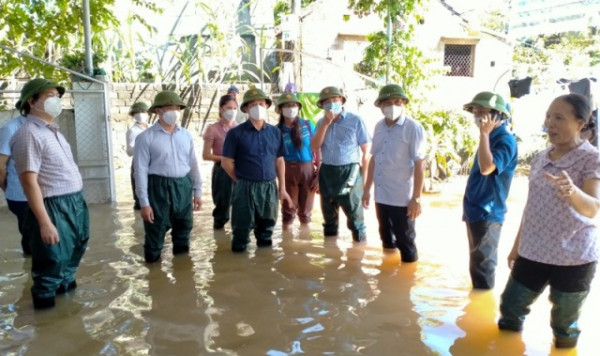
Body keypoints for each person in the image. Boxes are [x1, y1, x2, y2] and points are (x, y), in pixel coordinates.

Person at [498, 93, 600, 349]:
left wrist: (571, 191)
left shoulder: (591, 158)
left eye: (559, 118)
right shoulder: (540, 158)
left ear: (580, 122)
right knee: (510, 309)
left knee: (564, 325)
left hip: (573, 258)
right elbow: (531, 208)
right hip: (532, 252)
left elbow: (593, 209)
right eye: (548, 116)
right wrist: (516, 248)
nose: (550, 123)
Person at [10, 78, 89, 309]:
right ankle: (45, 326)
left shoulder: (53, 131)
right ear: (32, 102)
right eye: (49, 96)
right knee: (51, 264)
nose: (56, 101)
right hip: (53, 206)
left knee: (73, 256)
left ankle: (67, 317)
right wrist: (45, 223)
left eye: (58, 96)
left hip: (74, 202)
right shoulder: (28, 134)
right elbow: (29, 182)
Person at [134, 91, 202, 263]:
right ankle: (154, 277)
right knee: (155, 233)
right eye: (169, 107)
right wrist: (144, 203)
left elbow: (193, 163)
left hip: (183, 186)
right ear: (158, 111)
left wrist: (198, 191)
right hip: (158, 188)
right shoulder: (145, 137)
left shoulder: (185, 135)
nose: (174, 111)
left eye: (177, 107)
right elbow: (140, 171)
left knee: (183, 232)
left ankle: (183, 274)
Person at [221, 88, 293, 252]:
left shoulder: (275, 133)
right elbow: (226, 162)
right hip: (245, 186)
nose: (258, 107)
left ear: (267, 106)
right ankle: (240, 270)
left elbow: (280, 161)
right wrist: (240, 181)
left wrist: (282, 189)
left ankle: (265, 268)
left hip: (269, 187)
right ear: (245, 109)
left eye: (261, 103)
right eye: (253, 104)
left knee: (267, 231)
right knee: (241, 231)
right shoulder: (236, 133)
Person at [362, 84, 426, 262]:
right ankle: (388, 280)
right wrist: (367, 190)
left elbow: (420, 163)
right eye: (388, 102)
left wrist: (416, 199)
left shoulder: (413, 128)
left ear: (404, 104)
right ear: (380, 106)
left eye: (398, 102)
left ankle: (406, 281)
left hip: (402, 198)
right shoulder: (379, 127)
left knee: (406, 242)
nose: (393, 106)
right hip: (381, 196)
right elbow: (374, 158)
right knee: (386, 239)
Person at [462, 91, 518, 289]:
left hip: (489, 213)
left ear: (497, 116)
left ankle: (482, 312)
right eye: (476, 112)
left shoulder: (504, 139)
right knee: (477, 265)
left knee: (483, 268)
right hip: (475, 209)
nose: (478, 116)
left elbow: (487, 168)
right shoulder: (489, 136)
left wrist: (484, 134)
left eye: (482, 112)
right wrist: (485, 135)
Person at [310, 86, 370, 243]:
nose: (331, 104)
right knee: (329, 219)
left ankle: (359, 252)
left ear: (342, 101)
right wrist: (325, 124)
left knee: (356, 219)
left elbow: (366, 152)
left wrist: (364, 183)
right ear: (322, 105)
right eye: (327, 102)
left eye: (335, 100)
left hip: (350, 172)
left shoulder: (355, 121)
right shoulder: (320, 123)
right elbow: (314, 146)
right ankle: (331, 254)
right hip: (327, 173)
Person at [275, 92, 319, 229]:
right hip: (287, 170)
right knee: (288, 210)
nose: (291, 108)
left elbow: (317, 147)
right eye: (287, 106)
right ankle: (287, 243)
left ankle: (304, 243)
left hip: (308, 170)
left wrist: (319, 172)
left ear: (299, 108)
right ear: (281, 109)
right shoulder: (276, 131)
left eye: (294, 105)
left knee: (306, 212)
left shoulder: (307, 125)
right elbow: (276, 157)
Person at [202, 94, 237, 229]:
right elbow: (205, 155)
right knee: (222, 206)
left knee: (240, 205)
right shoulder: (213, 129)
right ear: (221, 109)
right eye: (229, 108)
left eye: (234, 108)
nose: (232, 111)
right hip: (222, 170)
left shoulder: (238, 128)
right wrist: (225, 159)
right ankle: (219, 237)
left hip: (238, 168)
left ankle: (237, 239)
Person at [0, 112, 31, 255]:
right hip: (21, 195)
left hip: (47, 192)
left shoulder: (47, 127)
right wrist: (6, 188)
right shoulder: (11, 128)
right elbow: (0, 165)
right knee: (33, 238)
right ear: (31, 102)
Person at [125, 101, 149, 210]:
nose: (140, 114)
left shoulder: (152, 128)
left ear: (148, 114)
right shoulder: (132, 131)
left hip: (153, 164)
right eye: (137, 112)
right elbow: (129, 152)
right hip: (139, 164)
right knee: (140, 196)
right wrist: (141, 146)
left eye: (143, 112)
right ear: (133, 115)